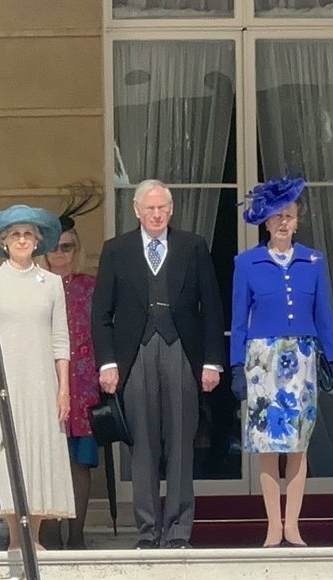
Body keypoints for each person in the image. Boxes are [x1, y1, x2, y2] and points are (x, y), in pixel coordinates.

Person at [91, 179, 226, 550]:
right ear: (136, 210)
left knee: (182, 442)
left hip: (181, 350)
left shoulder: (192, 246)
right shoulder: (117, 250)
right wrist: (107, 364)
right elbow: (101, 313)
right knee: (143, 446)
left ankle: (179, 531)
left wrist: (212, 362)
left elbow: (212, 308)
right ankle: (148, 532)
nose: (155, 214)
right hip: (135, 354)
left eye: (161, 208)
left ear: (171, 210)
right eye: (149, 208)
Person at [229, 176, 333, 548]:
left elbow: (323, 312)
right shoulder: (247, 263)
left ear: (298, 221)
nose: (283, 223)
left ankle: (292, 525)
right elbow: (237, 321)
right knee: (266, 448)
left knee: (297, 446)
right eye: (277, 217)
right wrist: (236, 367)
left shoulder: (313, 260)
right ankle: (272, 526)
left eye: (289, 216)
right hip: (263, 360)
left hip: (303, 358)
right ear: (265, 222)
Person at [0, 205, 74, 551]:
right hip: (5, 378)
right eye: (15, 235)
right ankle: (14, 537)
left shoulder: (52, 283)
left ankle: (34, 536)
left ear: (38, 241)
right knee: (9, 450)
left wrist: (64, 389)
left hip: (42, 381)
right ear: (3, 242)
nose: (22, 240)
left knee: (38, 450)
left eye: (28, 234)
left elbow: (61, 339)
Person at [41, 218, 99, 550]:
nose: (60, 254)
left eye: (67, 247)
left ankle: (76, 534)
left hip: (84, 386)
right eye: (53, 247)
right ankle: (48, 533)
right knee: (48, 459)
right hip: (45, 382)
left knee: (79, 463)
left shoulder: (91, 286)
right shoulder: (36, 284)